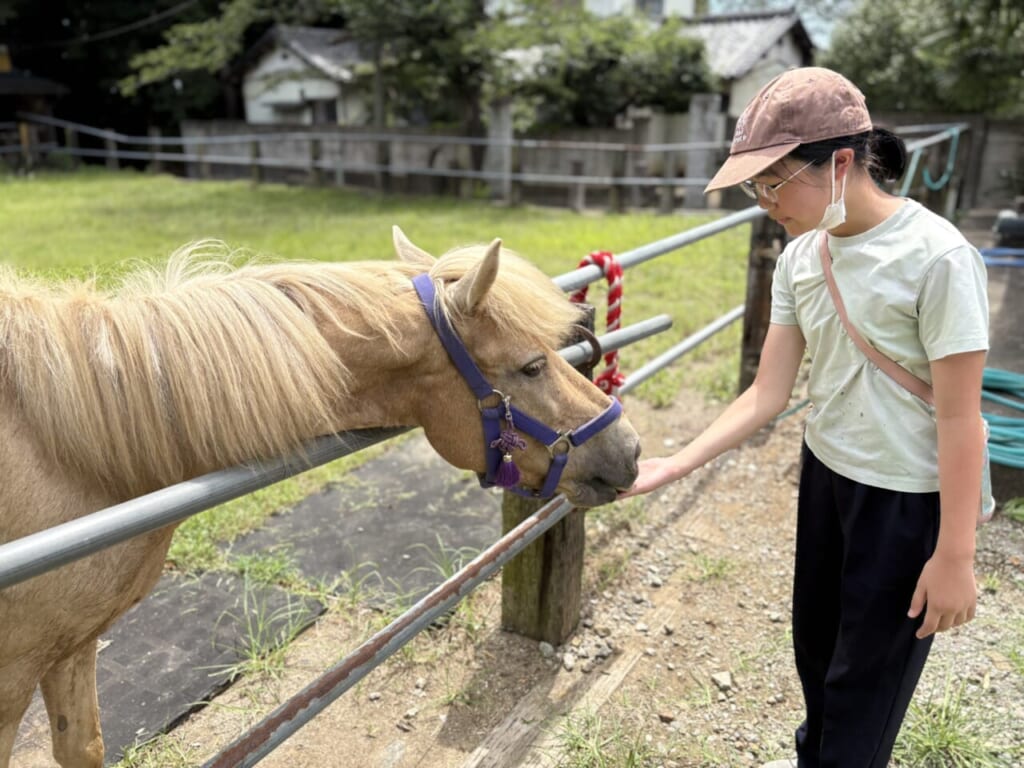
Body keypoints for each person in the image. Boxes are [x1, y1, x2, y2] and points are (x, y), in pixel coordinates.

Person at [620, 67, 989, 768]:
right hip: (826, 475)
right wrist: (675, 462)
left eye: (774, 182)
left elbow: (959, 419)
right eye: (755, 187)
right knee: (816, 655)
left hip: (905, 501)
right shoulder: (800, 257)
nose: (764, 202)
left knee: (865, 687)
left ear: (842, 162)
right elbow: (769, 391)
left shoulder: (938, 258)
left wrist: (955, 555)